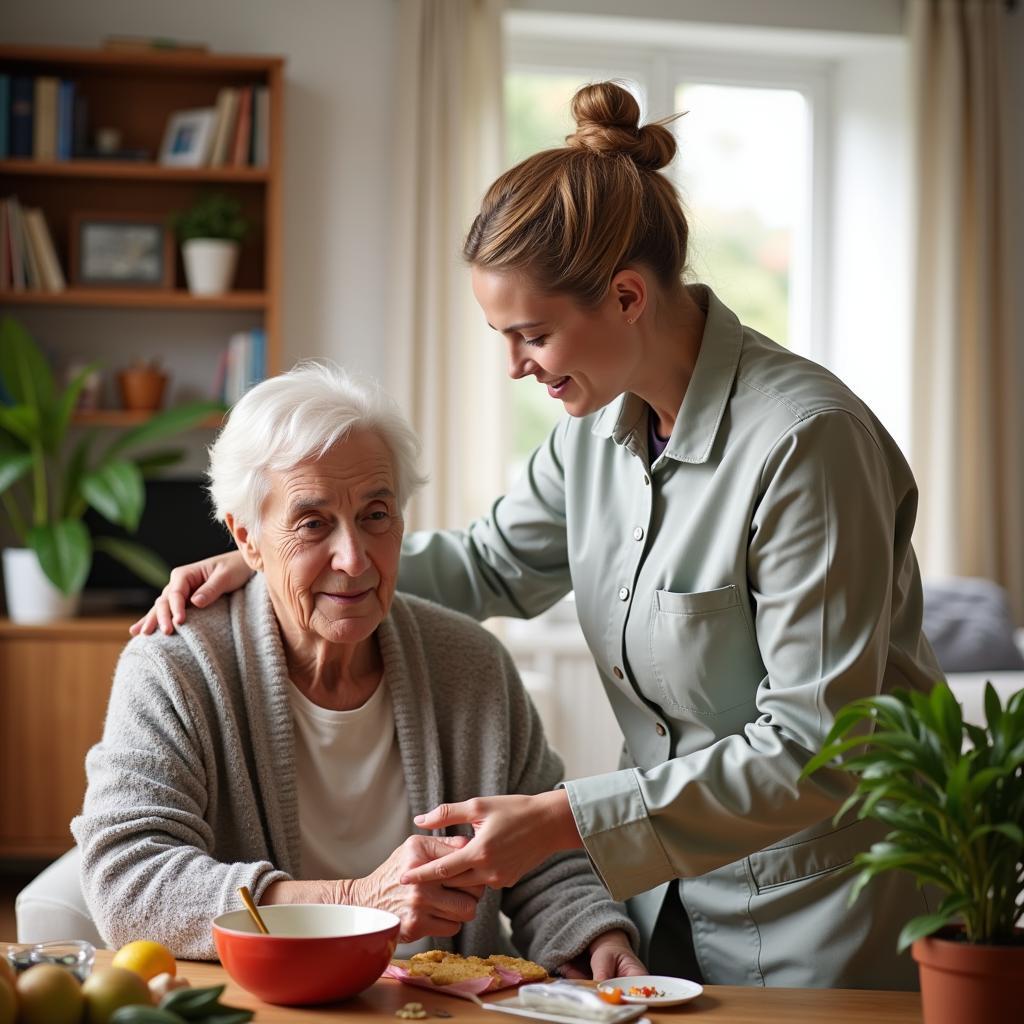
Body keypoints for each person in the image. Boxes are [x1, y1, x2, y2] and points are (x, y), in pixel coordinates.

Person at [130, 82, 942, 988]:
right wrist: (276, 566)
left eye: (532, 335)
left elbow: (812, 747)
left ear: (628, 296)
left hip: (820, 901)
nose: (516, 365)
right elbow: (488, 564)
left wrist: (563, 817)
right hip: (668, 893)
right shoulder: (593, 431)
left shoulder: (807, 443)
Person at [75, 362, 643, 975]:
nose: (353, 558)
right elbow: (128, 880)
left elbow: (543, 862)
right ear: (246, 538)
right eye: (313, 523)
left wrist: (593, 939)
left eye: (376, 515)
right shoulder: (176, 668)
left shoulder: (472, 665)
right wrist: (351, 902)